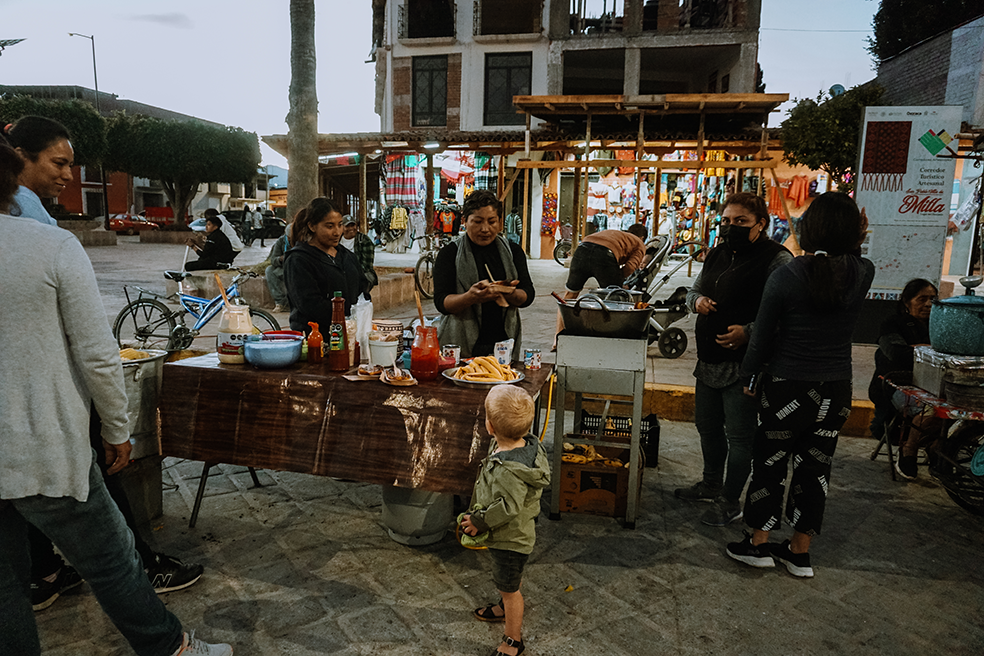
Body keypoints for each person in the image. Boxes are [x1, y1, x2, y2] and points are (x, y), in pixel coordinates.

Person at [0, 138, 231, 656]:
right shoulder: (48, 245)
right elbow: (99, 354)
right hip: (41, 445)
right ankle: (170, 647)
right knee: (111, 558)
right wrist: (116, 429)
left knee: (5, 588)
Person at [727, 192, 874, 578]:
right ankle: (799, 553)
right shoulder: (864, 272)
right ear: (852, 232)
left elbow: (760, 339)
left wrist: (748, 376)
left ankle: (758, 543)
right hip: (836, 391)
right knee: (815, 470)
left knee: (770, 465)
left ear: (810, 228)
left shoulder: (787, 275)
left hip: (786, 388)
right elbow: (851, 256)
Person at [674, 193, 792, 527]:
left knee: (739, 437)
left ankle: (730, 498)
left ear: (761, 225)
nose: (731, 228)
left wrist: (748, 332)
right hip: (709, 360)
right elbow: (694, 290)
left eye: (740, 222)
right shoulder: (717, 253)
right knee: (707, 427)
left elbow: (784, 312)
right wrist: (695, 302)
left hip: (745, 365)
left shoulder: (776, 259)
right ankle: (711, 483)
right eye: (726, 221)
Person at [460, 386, 550, 656]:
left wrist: (480, 521)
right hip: (514, 533)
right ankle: (502, 607)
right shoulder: (525, 446)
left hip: (510, 538)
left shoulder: (509, 470)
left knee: (510, 589)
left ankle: (513, 639)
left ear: (489, 425)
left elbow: (507, 507)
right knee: (509, 581)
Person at [434, 189, 535, 362]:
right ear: (465, 221)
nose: (485, 229)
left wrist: (509, 292)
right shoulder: (450, 254)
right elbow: (442, 303)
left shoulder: (513, 252)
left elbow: (527, 295)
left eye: (492, 221)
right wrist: (470, 297)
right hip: (460, 344)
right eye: (478, 221)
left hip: (503, 344)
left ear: (500, 222)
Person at [867, 278, 940, 479]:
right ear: (907, 302)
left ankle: (936, 448)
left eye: (932, 299)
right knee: (932, 409)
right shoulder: (893, 323)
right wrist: (928, 351)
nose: (928, 304)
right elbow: (898, 355)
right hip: (897, 385)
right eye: (922, 299)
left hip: (933, 385)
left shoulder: (939, 326)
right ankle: (909, 449)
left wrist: (918, 349)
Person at [553, 224, 648, 347]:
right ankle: (609, 340)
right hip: (604, 255)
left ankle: (557, 339)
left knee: (569, 297)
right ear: (642, 237)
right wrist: (619, 280)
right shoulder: (639, 243)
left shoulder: (617, 234)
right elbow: (630, 267)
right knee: (615, 298)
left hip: (582, 250)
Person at [283, 197, 368, 333]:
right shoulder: (298, 260)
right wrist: (346, 313)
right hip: (315, 338)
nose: (337, 232)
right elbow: (309, 305)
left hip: (350, 333)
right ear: (312, 226)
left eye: (340, 225)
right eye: (329, 226)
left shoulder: (347, 256)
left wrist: (361, 312)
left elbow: (362, 288)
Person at [4, 116, 72, 226]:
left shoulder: (10, 201)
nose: (69, 176)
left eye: (70, 166)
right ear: (20, 156)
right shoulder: (24, 209)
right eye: (59, 163)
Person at [266, 212, 298, 314]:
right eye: (289, 237)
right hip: (283, 268)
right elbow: (273, 259)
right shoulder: (281, 241)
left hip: (297, 269)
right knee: (269, 270)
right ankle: (280, 302)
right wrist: (280, 259)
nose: (291, 239)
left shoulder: (302, 241)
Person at [340, 214, 378, 297]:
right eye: (347, 226)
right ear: (341, 227)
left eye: (352, 225)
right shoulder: (337, 241)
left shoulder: (364, 241)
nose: (351, 229)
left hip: (360, 273)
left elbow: (366, 266)